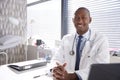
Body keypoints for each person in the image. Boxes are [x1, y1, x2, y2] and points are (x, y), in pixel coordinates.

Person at [51, 7, 110, 80]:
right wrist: (56, 70)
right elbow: (56, 58)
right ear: (73, 20)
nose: (80, 21)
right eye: (77, 18)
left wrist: (72, 76)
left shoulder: (101, 39)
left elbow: (100, 67)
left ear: (90, 20)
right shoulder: (66, 39)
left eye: (83, 17)